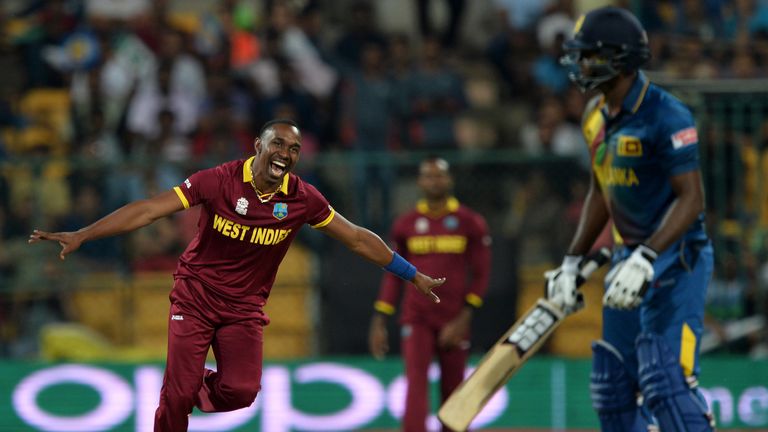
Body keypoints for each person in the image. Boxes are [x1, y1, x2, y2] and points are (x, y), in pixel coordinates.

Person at [29, 119, 446, 432]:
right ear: (258, 146)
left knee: (242, 392)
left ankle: (188, 383)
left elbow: (355, 238)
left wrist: (411, 274)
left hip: (244, 308)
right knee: (174, 399)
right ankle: (181, 386)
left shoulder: (302, 198)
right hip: (194, 297)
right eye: (278, 143)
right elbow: (149, 209)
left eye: (295, 148)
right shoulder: (219, 180)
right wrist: (84, 233)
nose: (286, 152)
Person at [548, 7, 715, 431]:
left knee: (666, 382)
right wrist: (572, 261)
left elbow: (692, 200)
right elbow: (601, 193)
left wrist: (646, 256)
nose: (580, 65)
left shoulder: (667, 114)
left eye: (589, 55)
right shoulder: (594, 118)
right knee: (614, 388)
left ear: (618, 58)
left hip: (677, 260)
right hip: (626, 260)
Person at [368, 157, 491, 432]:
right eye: (429, 176)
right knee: (415, 385)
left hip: (453, 319)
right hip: (417, 318)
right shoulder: (406, 224)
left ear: (449, 180)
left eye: (440, 176)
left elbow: (481, 275)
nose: (435, 181)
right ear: (420, 182)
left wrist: (463, 319)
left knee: (455, 390)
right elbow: (393, 276)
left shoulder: (469, 222)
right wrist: (380, 319)